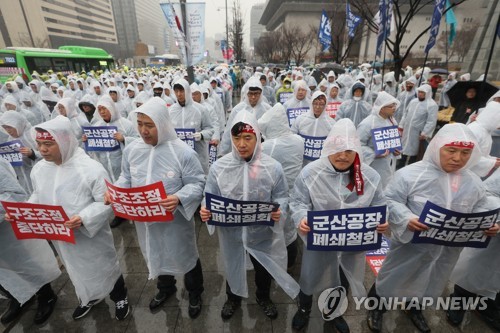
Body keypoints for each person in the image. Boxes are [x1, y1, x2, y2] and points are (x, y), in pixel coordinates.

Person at [366, 123, 499, 333]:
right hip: (411, 245)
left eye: (466, 153)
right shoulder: (410, 175)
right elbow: (389, 199)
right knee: (394, 276)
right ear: (437, 147)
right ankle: (377, 307)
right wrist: (406, 217)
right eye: (451, 150)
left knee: (429, 280)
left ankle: (414, 308)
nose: (458, 158)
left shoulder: (473, 182)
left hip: (446, 250)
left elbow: (481, 206)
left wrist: (487, 224)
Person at [20, 116, 130, 321]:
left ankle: (119, 296)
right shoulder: (40, 169)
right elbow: (37, 195)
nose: (42, 150)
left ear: (64, 141)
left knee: (104, 266)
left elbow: (105, 203)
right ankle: (87, 296)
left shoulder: (90, 169)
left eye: (48, 144)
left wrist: (83, 217)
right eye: (39, 144)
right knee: (75, 269)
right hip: (60, 235)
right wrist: (25, 210)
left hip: (89, 234)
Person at [110, 97, 205, 318]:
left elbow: (198, 182)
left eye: (149, 125)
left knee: (186, 254)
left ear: (162, 124)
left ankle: (195, 293)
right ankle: (165, 288)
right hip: (145, 220)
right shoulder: (132, 150)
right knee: (156, 253)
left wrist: (179, 197)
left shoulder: (182, 152)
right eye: (140, 124)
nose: (143, 130)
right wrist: (116, 190)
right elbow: (126, 176)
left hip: (175, 220)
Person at [290, 119, 388, 332]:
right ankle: (304, 308)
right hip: (320, 241)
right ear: (328, 148)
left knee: (343, 279)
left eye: (348, 150)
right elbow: (297, 201)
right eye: (337, 149)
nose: (342, 156)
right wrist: (301, 217)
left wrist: (382, 220)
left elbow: (380, 203)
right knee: (310, 275)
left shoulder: (370, 176)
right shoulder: (311, 173)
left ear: (357, 151)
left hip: (352, 245)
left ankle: (334, 312)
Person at [200, 111, 299, 321]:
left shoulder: (272, 167)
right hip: (231, 233)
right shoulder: (219, 167)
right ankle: (233, 297)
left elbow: (282, 196)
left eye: (247, 138)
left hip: (261, 232)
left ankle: (263, 296)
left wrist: (279, 210)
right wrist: (205, 210)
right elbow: (209, 197)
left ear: (258, 138)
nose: (242, 144)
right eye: (236, 138)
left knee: (262, 266)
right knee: (232, 262)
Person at [0, 158, 60, 325]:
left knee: (24, 263)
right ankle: (19, 296)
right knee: (2, 272)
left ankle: (46, 296)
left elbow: (14, 194)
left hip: (6, 228)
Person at [446, 168, 500, 331]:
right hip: (495, 233)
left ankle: (488, 307)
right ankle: (459, 301)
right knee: (475, 269)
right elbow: (489, 193)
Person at [258, 103, 305, 271]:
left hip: (275, 194)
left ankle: (274, 262)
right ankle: (291, 263)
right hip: (295, 192)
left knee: (276, 229)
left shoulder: (267, 147)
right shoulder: (299, 141)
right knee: (290, 231)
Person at [169, 79, 214, 174]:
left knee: (199, 181)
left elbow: (210, 129)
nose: (179, 94)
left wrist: (201, 135)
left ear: (188, 91)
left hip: (198, 154)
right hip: (178, 156)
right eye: (176, 91)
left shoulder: (200, 109)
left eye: (182, 91)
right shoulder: (170, 111)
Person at [357, 92, 401, 188]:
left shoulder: (392, 121)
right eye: (391, 106)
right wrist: (373, 154)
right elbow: (358, 145)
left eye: (395, 105)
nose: (394, 108)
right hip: (372, 165)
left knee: (385, 187)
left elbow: (394, 140)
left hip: (388, 165)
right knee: (371, 187)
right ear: (382, 108)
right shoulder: (368, 124)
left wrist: (396, 151)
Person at [220, 77, 271, 155]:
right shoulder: (237, 110)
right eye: (250, 94)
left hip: (262, 151)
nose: (253, 97)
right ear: (246, 93)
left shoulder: (267, 110)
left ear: (261, 94)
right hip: (242, 149)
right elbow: (228, 133)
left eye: (256, 93)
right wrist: (223, 153)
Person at [397, 84, 438, 168]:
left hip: (418, 132)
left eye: (422, 92)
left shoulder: (432, 105)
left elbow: (431, 120)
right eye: (419, 92)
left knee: (415, 150)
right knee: (404, 146)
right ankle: (401, 162)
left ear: (428, 93)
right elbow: (406, 113)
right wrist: (401, 125)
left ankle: (411, 165)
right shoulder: (413, 101)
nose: (420, 94)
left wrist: (425, 133)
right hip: (407, 129)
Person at [291, 91, 336, 166]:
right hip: (302, 161)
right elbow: (292, 137)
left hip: (321, 164)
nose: (317, 107)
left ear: (325, 105)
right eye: (315, 103)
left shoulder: (331, 123)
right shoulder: (301, 119)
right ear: (311, 103)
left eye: (321, 104)